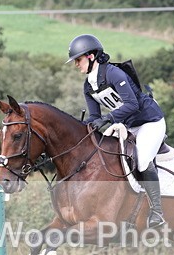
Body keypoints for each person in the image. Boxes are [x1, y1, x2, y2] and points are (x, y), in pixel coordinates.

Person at [66, 34, 167, 228]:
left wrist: (108, 118)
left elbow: (133, 104)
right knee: (114, 161)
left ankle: (157, 212)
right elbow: (94, 117)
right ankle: (129, 212)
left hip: (150, 121)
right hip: (128, 126)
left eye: (78, 60)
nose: (76, 65)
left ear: (91, 56)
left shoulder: (113, 74)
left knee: (143, 161)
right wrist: (82, 131)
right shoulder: (88, 86)